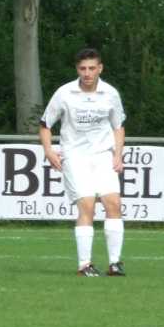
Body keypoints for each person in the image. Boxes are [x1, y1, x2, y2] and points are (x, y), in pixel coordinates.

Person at [38, 47, 127, 276]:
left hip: (103, 155)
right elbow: (45, 124)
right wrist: (48, 150)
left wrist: (117, 154)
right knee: (87, 205)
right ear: (77, 69)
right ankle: (84, 264)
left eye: (91, 68)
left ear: (100, 68)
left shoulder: (110, 93)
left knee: (114, 203)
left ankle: (115, 263)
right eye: (83, 68)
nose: (87, 73)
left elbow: (118, 126)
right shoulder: (64, 93)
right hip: (75, 157)